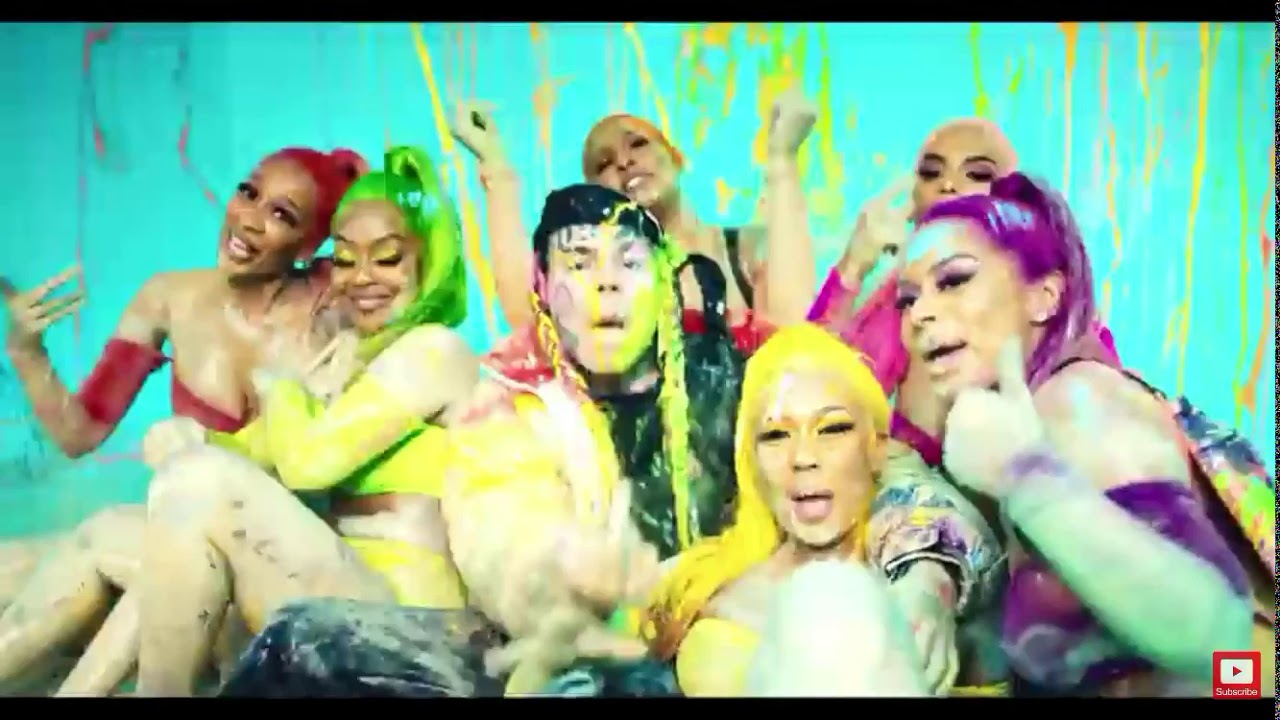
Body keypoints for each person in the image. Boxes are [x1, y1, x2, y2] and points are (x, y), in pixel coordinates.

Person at [218, 184, 996, 698]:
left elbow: (883, 463)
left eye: (629, 261)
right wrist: (566, 580)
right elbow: (502, 532)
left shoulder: (743, 370)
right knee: (304, 641)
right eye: (579, 262)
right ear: (542, 287)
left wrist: (926, 573)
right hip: (573, 650)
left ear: (664, 278)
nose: (607, 282)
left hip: (735, 636)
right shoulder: (511, 398)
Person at [0, 146, 365, 695]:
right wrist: (27, 352)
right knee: (19, 563)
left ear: (310, 245)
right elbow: (80, 432)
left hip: (278, 572)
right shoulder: (169, 298)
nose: (249, 219)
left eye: (281, 214)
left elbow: (403, 260)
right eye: (248, 193)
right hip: (191, 556)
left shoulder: (333, 310)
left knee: (98, 542)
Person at [898, 171, 1274, 696]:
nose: (920, 314)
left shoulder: (1079, 406)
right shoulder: (1026, 421)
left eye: (954, 280)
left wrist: (1029, 483)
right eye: (906, 299)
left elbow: (1241, 660)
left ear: (1044, 297)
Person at [128, 145, 480, 697]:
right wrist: (192, 437)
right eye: (345, 259)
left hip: (418, 633)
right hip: (344, 606)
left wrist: (279, 385)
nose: (362, 278)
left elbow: (307, 464)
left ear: (427, 262)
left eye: (387, 259)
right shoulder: (353, 356)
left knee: (195, 480)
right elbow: (255, 454)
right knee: (122, 531)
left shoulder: (434, 351)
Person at [634, 323, 977, 696]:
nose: (803, 457)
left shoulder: (921, 575)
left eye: (832, 429)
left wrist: (931, 583)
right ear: (751, 460)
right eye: (775, 435)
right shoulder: (704, 576)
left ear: (878, 448)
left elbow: (960, 532)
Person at [450, 91, 818, 355]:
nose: (624, 163)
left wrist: (782, 159)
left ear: (676, 157)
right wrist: (496, 167)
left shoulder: (745, 251)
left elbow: (794, 332)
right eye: (604, 164)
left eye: (638, 144)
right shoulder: (601, 286)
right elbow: (527, 321)